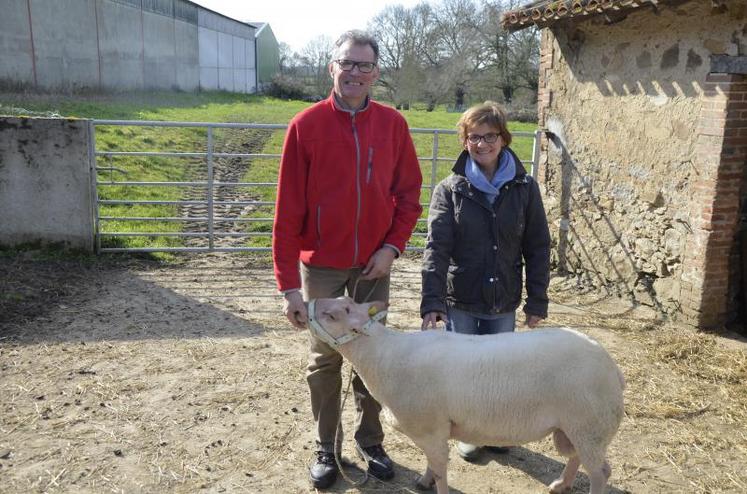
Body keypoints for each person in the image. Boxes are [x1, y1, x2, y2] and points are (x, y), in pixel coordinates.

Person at [271, 30, 423, 490]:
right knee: (325, 359)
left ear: (376, 72)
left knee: (372, 354)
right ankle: (326, 445)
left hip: (374, 266)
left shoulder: (393, 125)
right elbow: (287, 213)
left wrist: (391, 248)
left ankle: (371, 440)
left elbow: (409, 196)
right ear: (331, 67)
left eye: (364, 65)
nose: (355, 73)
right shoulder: (306, 126)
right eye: (347, 63)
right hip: (323, 268)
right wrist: (288, 287)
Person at [420, 101, 550, 462]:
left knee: (500, 372)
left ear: (503, 138)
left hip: (502, 297)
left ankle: (495, 431)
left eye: (490, 136)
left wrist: (537, 300)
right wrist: (432, 302)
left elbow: (538, 245)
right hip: (460, 297)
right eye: (474, 136)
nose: (483, 144)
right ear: (464, 141)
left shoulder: (524, 187)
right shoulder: (450, 189)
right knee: (463, 372)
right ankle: (469, 434)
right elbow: (437, 248)